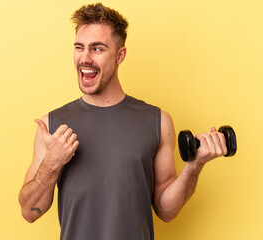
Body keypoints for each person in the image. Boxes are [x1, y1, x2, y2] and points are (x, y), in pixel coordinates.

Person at [18, 3, 227, 240]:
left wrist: (194, 166)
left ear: (120, 55)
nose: (84, 58)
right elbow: (29, 212)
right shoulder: (52, 125)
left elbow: (166, 210)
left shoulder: (157, 121)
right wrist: (52, 163)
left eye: (97, 49)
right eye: (79, 47)